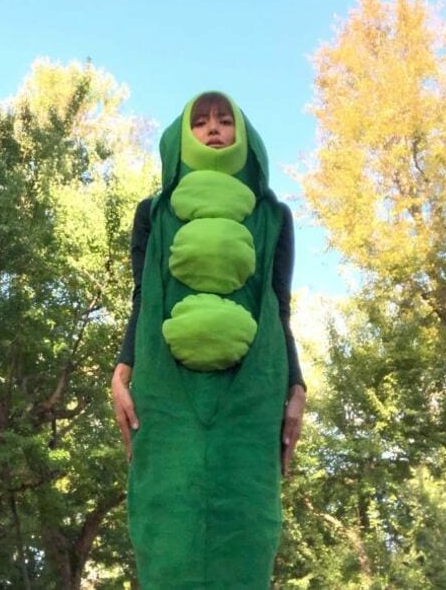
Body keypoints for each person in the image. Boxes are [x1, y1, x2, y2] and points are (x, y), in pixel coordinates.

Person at [112, 91, 306, 589]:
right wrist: (122, 370)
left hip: (254, 387)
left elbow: (279, 306)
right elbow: (143, 297)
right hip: (164, 385)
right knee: (163, 518)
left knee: (248, 522)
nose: (213, 129)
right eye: (199, 122)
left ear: (243, 136)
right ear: (184, 137)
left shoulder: (274, 217)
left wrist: (297, 387)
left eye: (224, 120)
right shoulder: (153, 213)